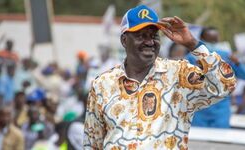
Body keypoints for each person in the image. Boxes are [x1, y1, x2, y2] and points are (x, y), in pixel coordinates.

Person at [83, 5, 236, 149]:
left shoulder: (179, 75)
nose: (149, 42)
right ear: (124, 40)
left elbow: (225, 85)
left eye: (154, 36)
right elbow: (92, 143)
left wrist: (192, 44)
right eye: (141, 36)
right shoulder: (103, 84)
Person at [186, 26, 245, 128]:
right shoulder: (192, 57)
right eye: (209, 41)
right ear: (202, 40)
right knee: (197, 141)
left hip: (221, 109)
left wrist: (237, 63)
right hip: (199, 108)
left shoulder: (228, 56)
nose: (213, 44)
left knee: (220, 141)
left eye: (215, 41)